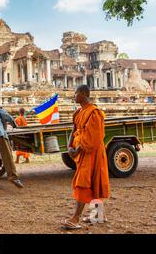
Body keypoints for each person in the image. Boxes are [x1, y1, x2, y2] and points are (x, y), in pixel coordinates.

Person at [61, 85, 110, 230]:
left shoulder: (94, 113)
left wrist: (77, 149)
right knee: (93, 181)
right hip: (81, 151)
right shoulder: (78, 112)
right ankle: (98, 215)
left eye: (75, 93)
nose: (73, 96)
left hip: (92, 151)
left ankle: (75, 218)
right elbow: (74, 130)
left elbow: (93, 136)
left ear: (83, 94)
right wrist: (69, 147)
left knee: (84, 181)